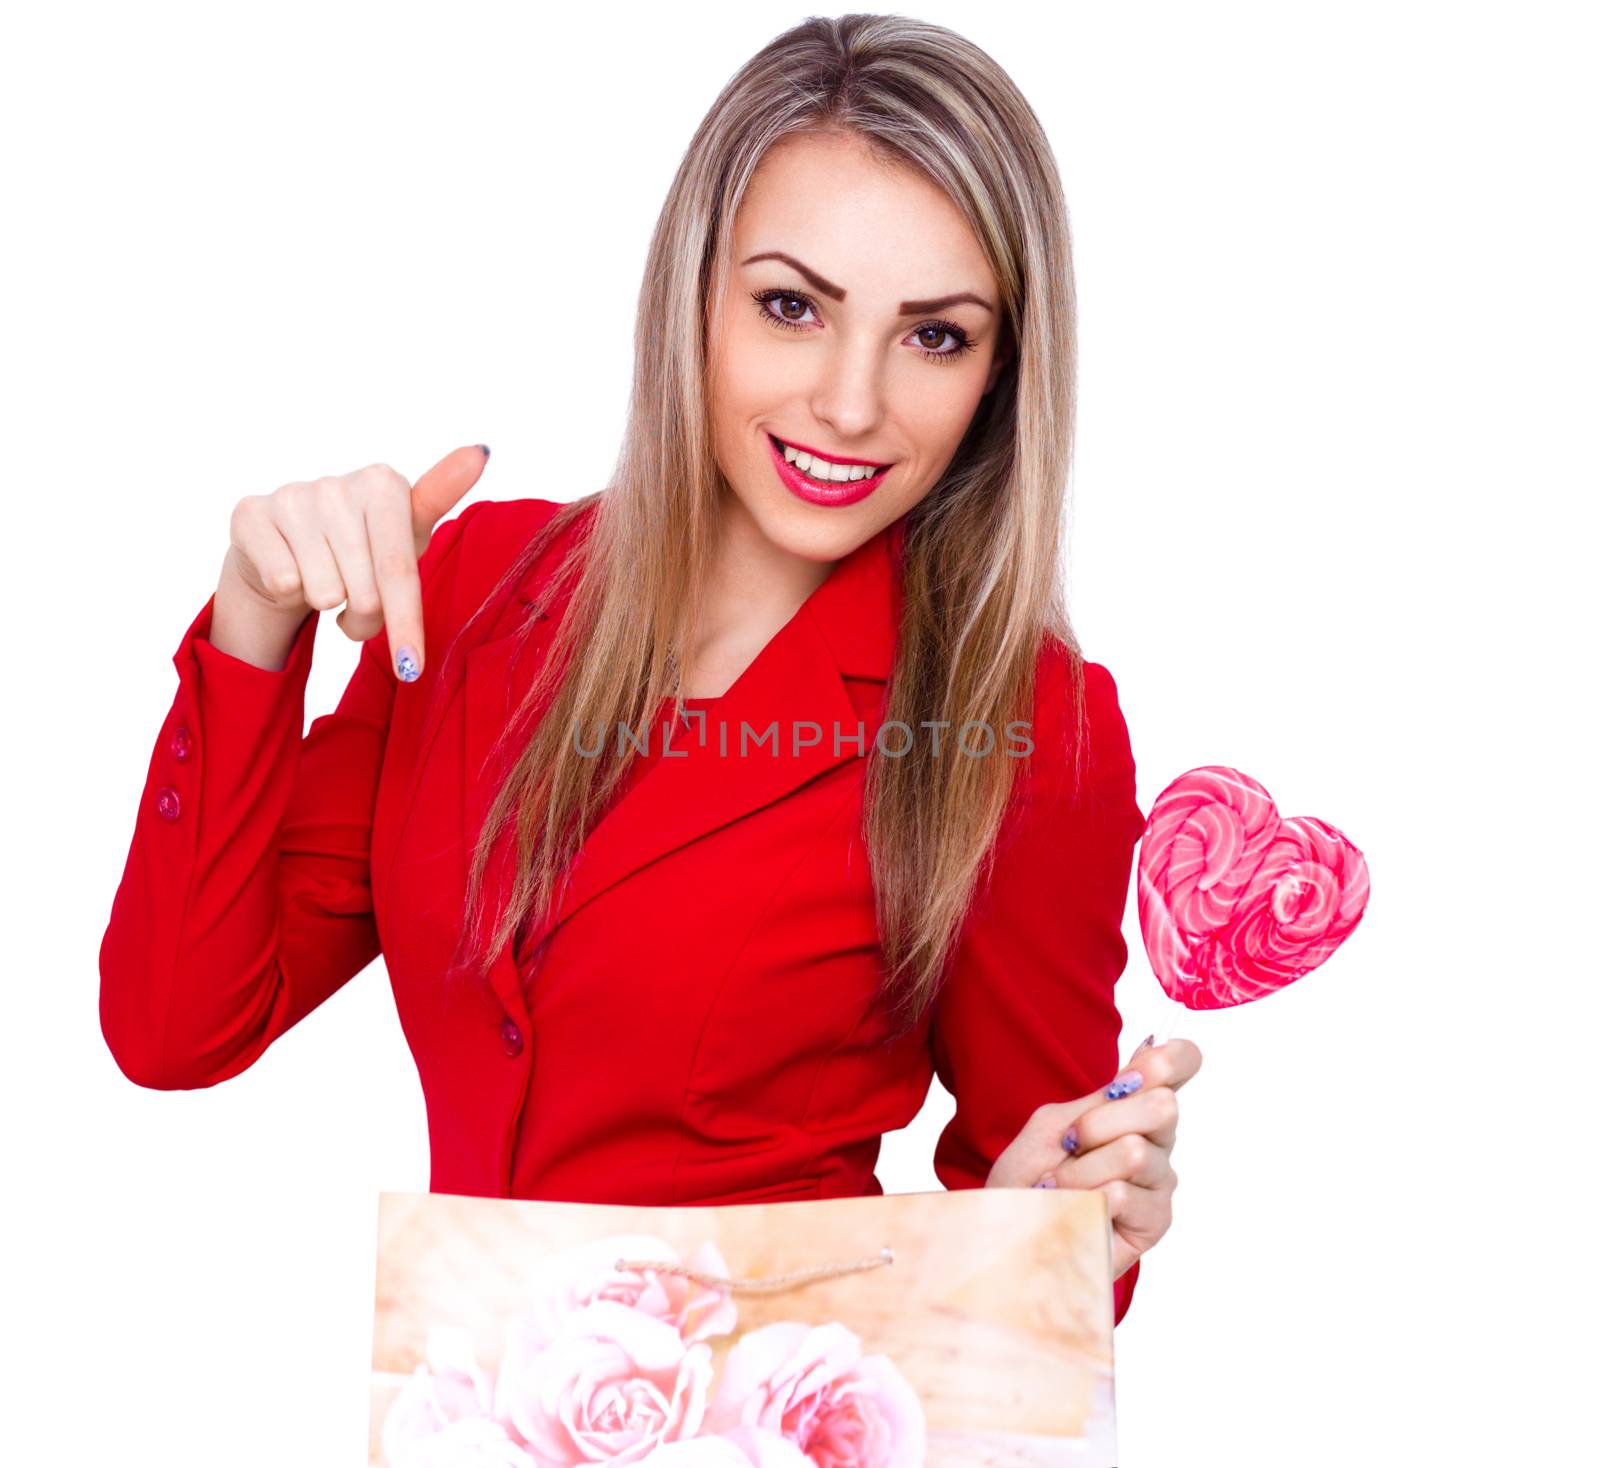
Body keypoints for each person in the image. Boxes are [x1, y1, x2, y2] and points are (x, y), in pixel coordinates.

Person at [98, 13, 1201, 1330]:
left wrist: (1047, 1225)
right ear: (695, 294)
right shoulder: (466, 591)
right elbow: (175, 1031)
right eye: (792, 306)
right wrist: (252, 625)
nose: (850, 404)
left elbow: (1032, 1275)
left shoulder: (1022, 723)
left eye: (935, 335)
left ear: (998, 375)